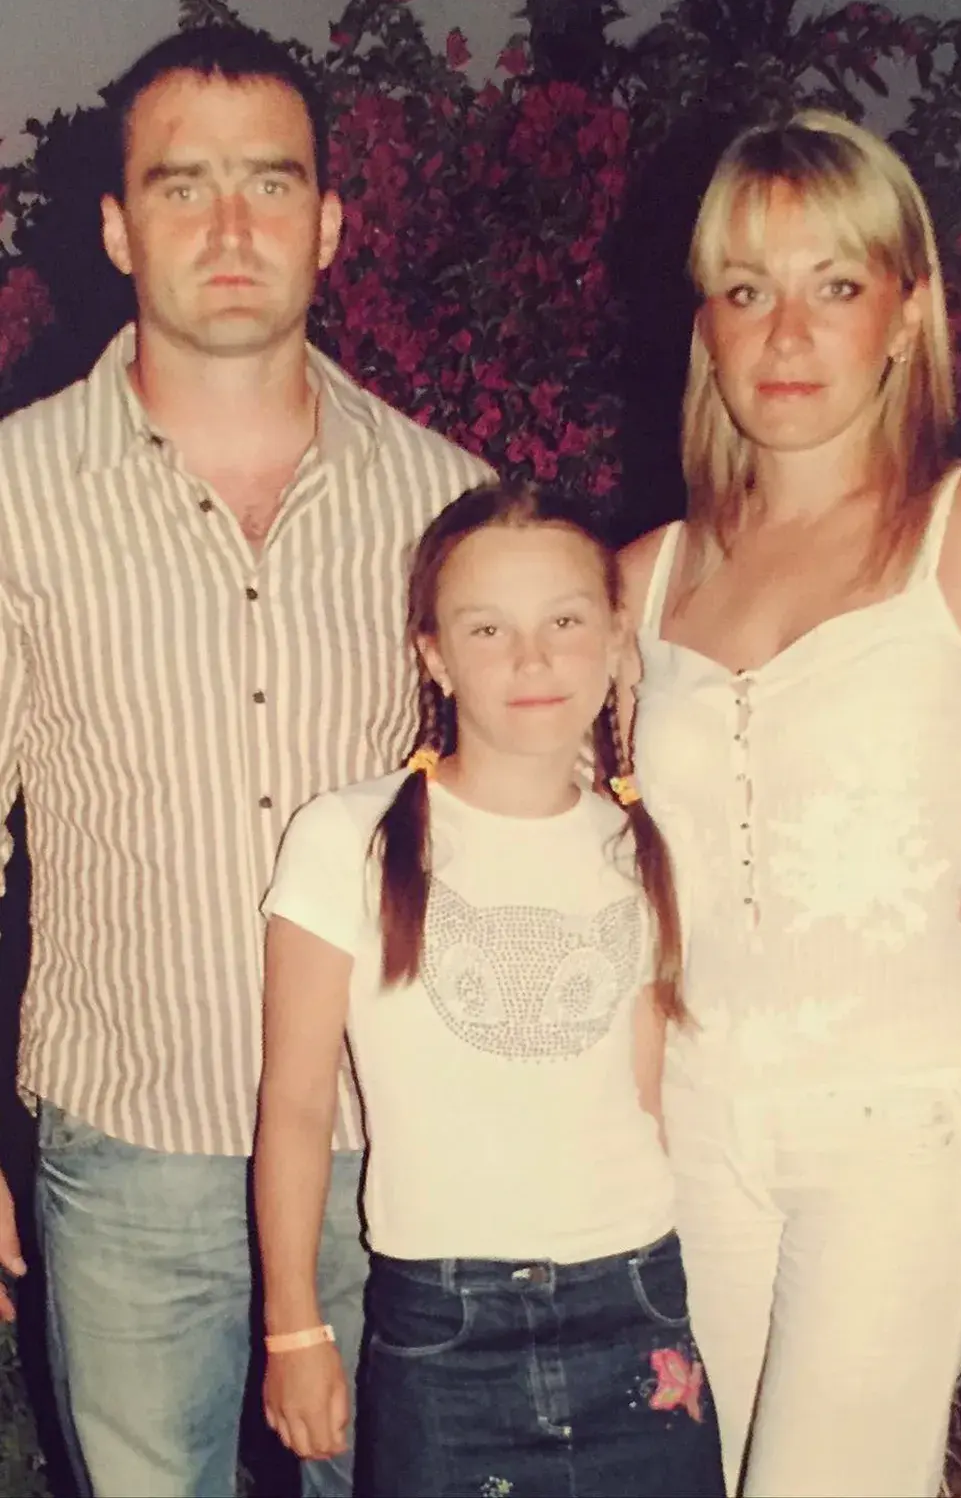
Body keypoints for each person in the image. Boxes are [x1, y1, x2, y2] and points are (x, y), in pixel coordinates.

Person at [0, 24, 491, 1498]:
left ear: (328, 222)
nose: (229, 229)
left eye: (269, 184)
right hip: (130, 1146)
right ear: (117, 227)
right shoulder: (16, 494)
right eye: (182, 186)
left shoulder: (449, 501)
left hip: (394, 1144)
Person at [619, 109, 961, 1498]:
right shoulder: (639, 580)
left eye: (833, 286)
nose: (784, 334)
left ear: (907, 312)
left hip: (900, 1122)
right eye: (745, 290)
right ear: (705, 327)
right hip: (691, 1133)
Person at [254, 481, 727, 1498]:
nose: (531, 659)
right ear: (434, 656)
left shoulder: (642, 844)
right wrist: (294, 1326)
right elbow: (293, 1104)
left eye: (565, 622)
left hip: (637, 1299)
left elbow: (647, 1096)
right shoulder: (347, 836)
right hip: (442, 1324)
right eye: (487, 629)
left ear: (615, 639)